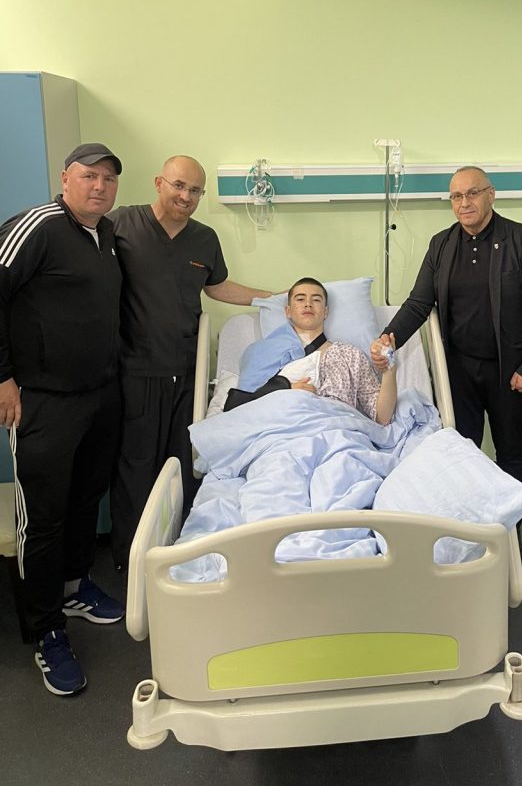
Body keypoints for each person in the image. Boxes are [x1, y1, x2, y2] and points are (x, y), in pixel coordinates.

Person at [0, 143, 126, 696]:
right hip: (43, 400)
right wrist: (3, 378)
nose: (99, 186)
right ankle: (46, 631)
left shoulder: (107, 235)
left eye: (108, 179)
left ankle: (74, 587)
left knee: (84, 500)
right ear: (66, 178)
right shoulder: (39, 226)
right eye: (89, 176)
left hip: (98, 394)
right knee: (43, 518)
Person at [108, 155, 275, 569]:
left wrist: (276, 298)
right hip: (135, 369)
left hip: (186, 372)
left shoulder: (204, 238)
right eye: (179, 186)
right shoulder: (122, 223)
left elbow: (216, 287)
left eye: (195, 190)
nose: (186, 196)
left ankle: (177, 555)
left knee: (181, 463)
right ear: (159, 182)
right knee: (135, 466)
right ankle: (131, 561)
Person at [372, 165, 522, 485]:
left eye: (472, 193)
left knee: (511, 449)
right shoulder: (441, 244)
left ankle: (514, 518)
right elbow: (418, 303)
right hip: (459, 370)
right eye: (456, 196)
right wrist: (388, 338)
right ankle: (470, 515)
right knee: (462, 449)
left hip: (510, 371)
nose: (464, 202)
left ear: (491, 195)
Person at [227, 278, 398, 425]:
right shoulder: (263, 353)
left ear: (326, 312)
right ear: (288, 311)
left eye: (316, 300)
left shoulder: (350, 355)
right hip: (282, 435)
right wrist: (284, 391)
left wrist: (389, 370)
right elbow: (240, 410)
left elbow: (382, 417)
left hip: (338, 434)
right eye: (300, 299)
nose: (308, 304)